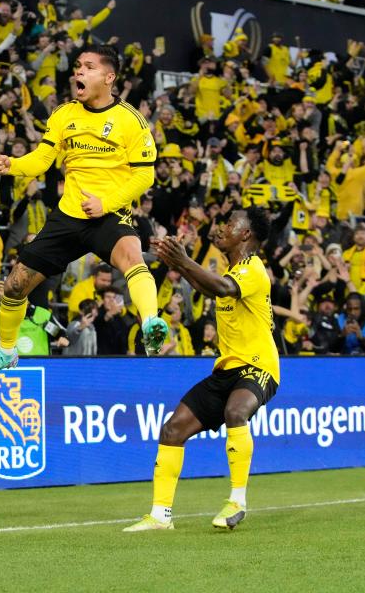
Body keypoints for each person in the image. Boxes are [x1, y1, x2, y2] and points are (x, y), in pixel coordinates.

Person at [0, 44, 168, 379]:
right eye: (77, 65)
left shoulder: (131, 121)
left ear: (109, 77)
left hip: (109, 214)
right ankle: (5, 352)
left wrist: (107, 203)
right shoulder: (63, 114)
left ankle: (150, 323)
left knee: (133, 257)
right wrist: (13, 165)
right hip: (67, 217)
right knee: (16, 285)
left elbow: (145, 175)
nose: (78, 71)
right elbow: (42, 159)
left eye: (88, 67)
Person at [124, 207, 278, 532]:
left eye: (230, 223)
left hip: (258, 365)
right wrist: (178, 262)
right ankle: (160, 515)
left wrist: (183, 260)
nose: (222, 228)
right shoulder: (232, 270)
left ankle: (237, 501)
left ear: (246, 234)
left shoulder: (253, 269)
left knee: (236, 412)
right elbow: (211, 288)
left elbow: (221, 289)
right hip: (227, 369)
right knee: (172, 429)